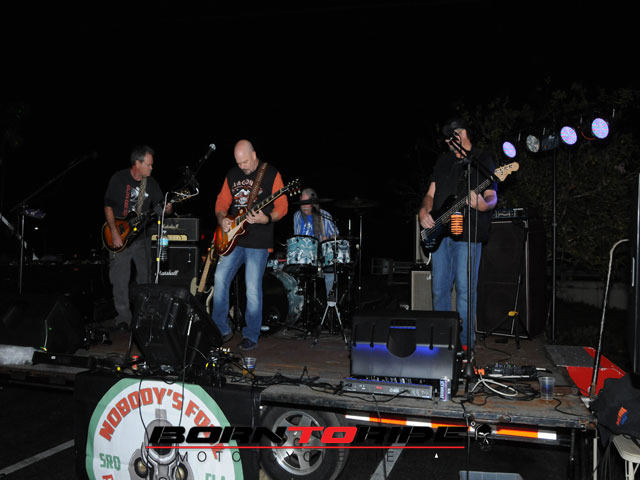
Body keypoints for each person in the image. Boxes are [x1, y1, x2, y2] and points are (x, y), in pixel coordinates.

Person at [418, 118, 497, 351]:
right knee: (439, 290)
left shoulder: (482, 159)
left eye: (450, 136)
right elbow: (430, 194)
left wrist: (482, 205)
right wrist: (423, 211)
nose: (446, 141)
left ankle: (465, 347)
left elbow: (492, 196)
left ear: (461, 133)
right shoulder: (443, 161)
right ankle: (442, 342)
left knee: (465, 291)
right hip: (440, 233)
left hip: (468, 233)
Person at [212, 139, 288, 351]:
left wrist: (267, 218)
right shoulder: (232, 174)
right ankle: (220, 328)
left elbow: (282, 206)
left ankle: (251, 335)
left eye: (244, 162)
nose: (242, 166)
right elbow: (221, 202)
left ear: (254, 155)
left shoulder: (271, 173)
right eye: (238, 163)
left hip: (259, 241)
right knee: (219, 279)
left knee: (252, 288)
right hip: (232, 239)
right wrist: (222, 218)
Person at [104, 145, 172, 330]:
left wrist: (167, 208)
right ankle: (123, 319)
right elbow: (108, 206)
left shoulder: (151, 183)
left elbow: (160, 207)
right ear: (137, 163)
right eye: (148, 164)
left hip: (142, 238)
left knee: (145, 278)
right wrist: (114, 232)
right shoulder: (119, 178)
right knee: (120, 280)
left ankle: (144, 316)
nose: (151, 168)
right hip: (119, 236)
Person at [292, 187, 339, 296]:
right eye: (302, 203)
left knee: (331, 271)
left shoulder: (324, 215)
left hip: (320, 255)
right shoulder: (297, 216)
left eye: (307, 203)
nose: (304, 206)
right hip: (302, 257)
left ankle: (331, 303)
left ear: (313, 203)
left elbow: (335, 234)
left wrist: (328, 239)